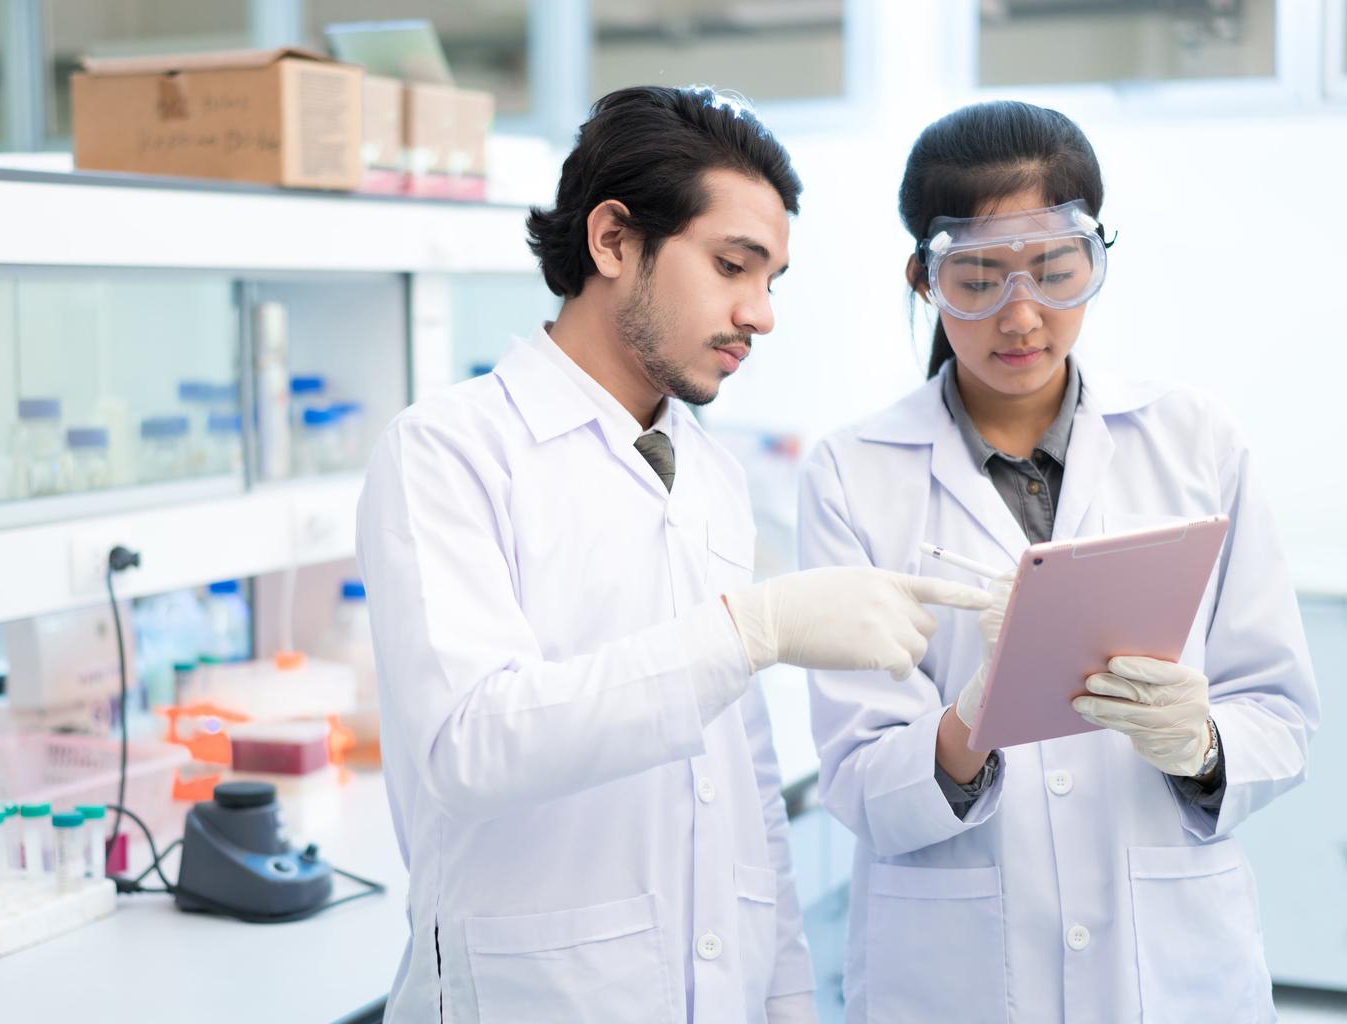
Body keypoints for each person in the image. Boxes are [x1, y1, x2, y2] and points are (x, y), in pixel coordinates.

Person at [356, 85, 991, 1023]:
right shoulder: (448, 450)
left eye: (772, 280)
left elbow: (742, 785)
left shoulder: (708, 471)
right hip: (535, 992)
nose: (761, 313)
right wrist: (748, 632)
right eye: (734, 266)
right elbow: (470, 745)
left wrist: (782, 998)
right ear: (614, 241)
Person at [798, 99, 1320, 1023]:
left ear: (1095, 261)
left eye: (1054, 270)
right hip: (957, 975)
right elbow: (857, 777)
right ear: (925, 278)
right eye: (979, 278)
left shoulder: (1193, 438)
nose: (1022, 314)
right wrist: (973, 719)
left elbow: (1278, 710)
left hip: (1168, 966)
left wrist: (1199, 745)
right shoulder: (853, 472)